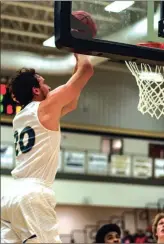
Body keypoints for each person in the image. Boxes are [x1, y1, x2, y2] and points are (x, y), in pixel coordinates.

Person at [1, 53, 94, 243]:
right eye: (44, 83)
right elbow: (87, 70)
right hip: (33, 194)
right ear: (36, 90)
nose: (49, 86)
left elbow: (72, 99)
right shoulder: (45, 107)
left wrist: (76, 61)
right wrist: (81, 48)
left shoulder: (20, 118)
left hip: (10, 197)